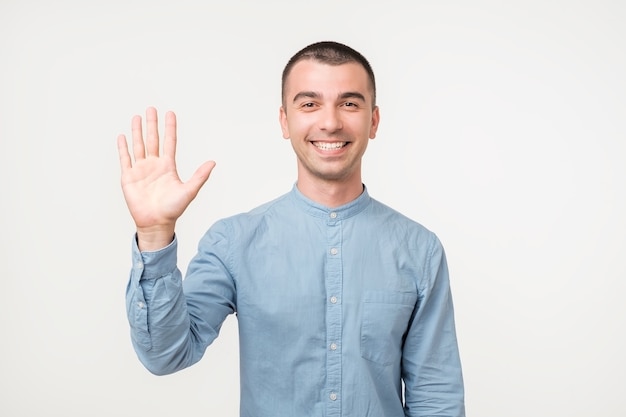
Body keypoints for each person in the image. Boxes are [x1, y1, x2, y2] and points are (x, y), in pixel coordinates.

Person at [117, 40, 465, 417]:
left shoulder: (419, 249)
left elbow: (435, 396)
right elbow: (166, 355)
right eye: (309, 103)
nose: (330, 122)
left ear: (374, 121)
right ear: (285, 120)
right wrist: (154, 235)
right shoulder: (233, 243)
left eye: (349, 103)